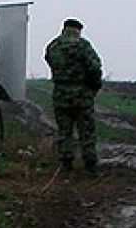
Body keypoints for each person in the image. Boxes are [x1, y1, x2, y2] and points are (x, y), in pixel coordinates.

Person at [45, 17, 104, 173]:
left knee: (64, 131)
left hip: (61, 94)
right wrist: (94, 85)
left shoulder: (53, 46)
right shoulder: (83, 46)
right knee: (86, 130)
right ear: (78, 30)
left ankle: (66, 164)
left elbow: (50, 61)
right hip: (82, 94)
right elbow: (95, 68)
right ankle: (90, 164)